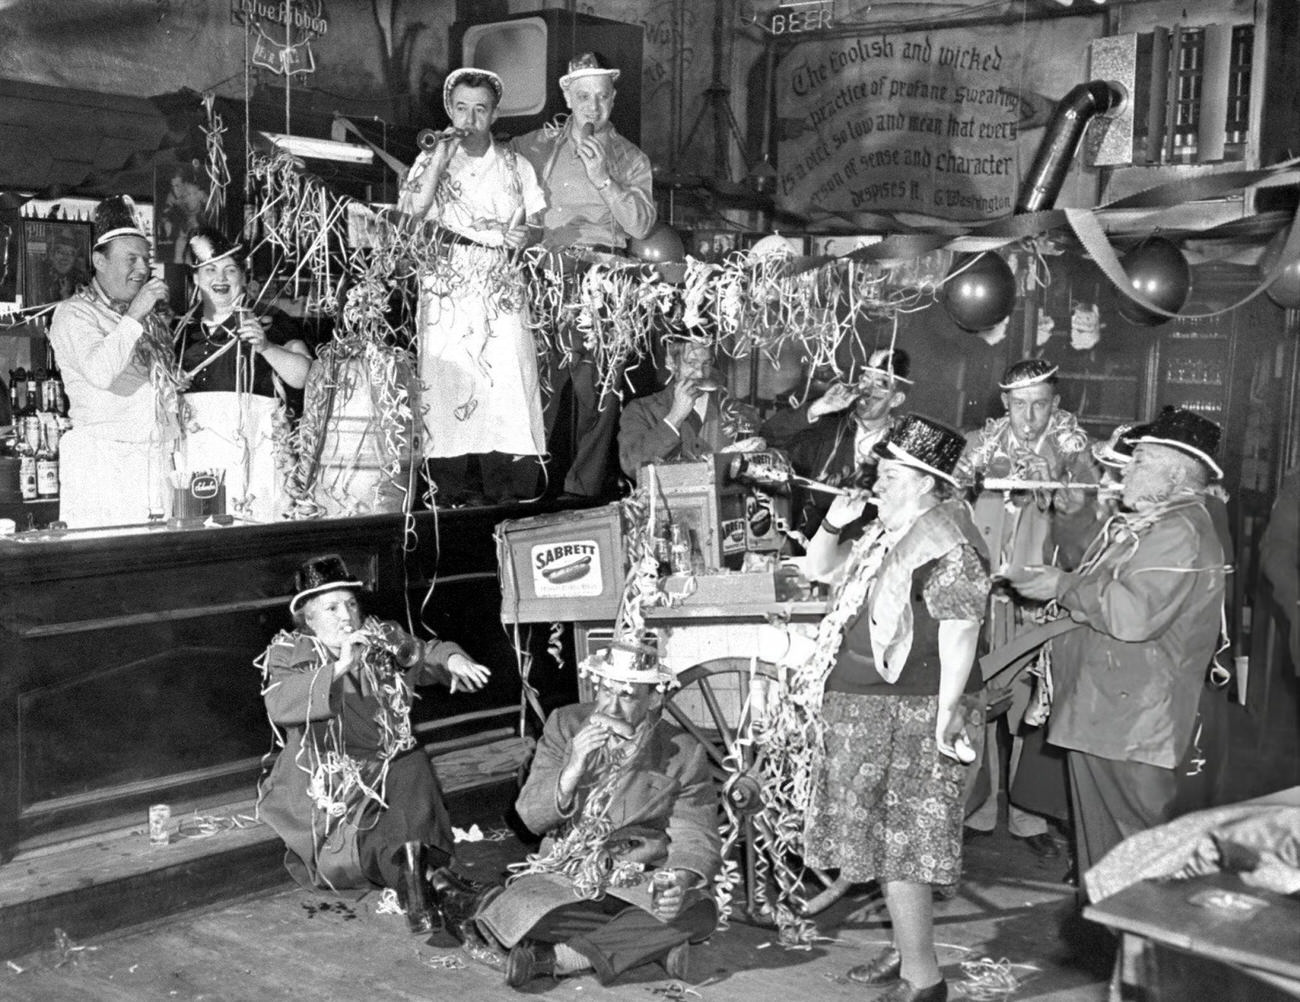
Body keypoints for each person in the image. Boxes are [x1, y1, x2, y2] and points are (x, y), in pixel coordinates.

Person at [801, 414, 990, 1002]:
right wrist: (834, 522)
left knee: (903, 846)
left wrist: (949, 717)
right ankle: (911, 947)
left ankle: (923, 980)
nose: (876, 485)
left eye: (888, 475)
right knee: (886, 845)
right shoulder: (888, 531)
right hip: (865, 710)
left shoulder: (947, 544)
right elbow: (819, 570)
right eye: (878, 474)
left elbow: (961, 636)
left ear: (926, 482)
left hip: (913, 714)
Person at [1002, 407, 1228, 885]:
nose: (1128, 468)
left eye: (1141, 460)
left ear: (1174, 471)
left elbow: (1131, 616)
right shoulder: (1159, 523)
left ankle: (1142, 955)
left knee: (1133, 863)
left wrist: (1063, 588)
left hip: (1130, 725)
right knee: (1104, 862)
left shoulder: (1177, 530)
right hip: (1108, 716)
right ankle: (1113, 953)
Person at [461, 637, 721, 989]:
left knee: (699, 912)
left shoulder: (682, 752)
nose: (612, 707)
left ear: (653, 698)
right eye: (606, 691)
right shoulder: (565, 724)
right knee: (529, 914)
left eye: (627, 696)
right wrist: (571, 770)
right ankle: (648, 946)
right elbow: (528, 816)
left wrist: (680, 880)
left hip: (636, 879)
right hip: (566, 877)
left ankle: (557, 958)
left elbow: (694, 831)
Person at [256, 554, 491, 934]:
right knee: (386, 827)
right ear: (308, 618)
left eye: (350, 603)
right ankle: (437, 885)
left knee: (411, 761)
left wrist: (451, 660)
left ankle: (419, 888)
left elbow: (422, 653)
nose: (346, 615)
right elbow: (279, 703)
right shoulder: (289, 652)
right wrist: (339, 667)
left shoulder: (379, 636)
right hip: (331, 783)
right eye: (330, 608)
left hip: (387, 770)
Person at [956, 359, 1098, 858]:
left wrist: (1057, 488)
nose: (1029, 416)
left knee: (1030, 705)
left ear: (1056, 405)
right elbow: (949, 495)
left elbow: (1088, 521)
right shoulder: (981, 443)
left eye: (1040, 404)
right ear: (1005, 405)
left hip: (1039, 597)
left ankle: (1028, 817)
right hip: (981, 592)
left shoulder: (1072, 450)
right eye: (1019, 405)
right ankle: (976, 809)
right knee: (974, 699)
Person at [399, 68, 546, 506]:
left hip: (499, 281)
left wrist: (528, 235)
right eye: (461, 108)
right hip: (449, 283)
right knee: (448, 380)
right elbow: (414, 213)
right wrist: (440, 158)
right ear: (450, 110)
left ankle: (506, 493)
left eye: (480, 109)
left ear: (494, 114)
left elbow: (537, 222)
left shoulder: (516, 164)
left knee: (506, 380)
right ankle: (447, 492)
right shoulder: (430, 159)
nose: (470, 118)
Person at [513, 51, 656, 500]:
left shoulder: (629, 157)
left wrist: (604, 179)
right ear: (568, 99)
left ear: (613, 100)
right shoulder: (534, 147)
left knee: (598, 388)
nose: (592, 107)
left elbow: (640, 226)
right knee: (536, 383)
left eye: (601, 97)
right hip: (547, 274)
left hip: (604, 277)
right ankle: (520, 493)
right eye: (583, 97)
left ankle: (584, 493)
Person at [48, 195, 180, 527]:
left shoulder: (147, 318)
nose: (142, 269)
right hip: (101, 463)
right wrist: (136, 313)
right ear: (99, 261)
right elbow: (101, 372)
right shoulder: (73, 313)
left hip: (153, 460)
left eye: (145, 259)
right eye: (131, 259)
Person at [175, 228, 312, 521]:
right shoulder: (181, 332)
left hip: (258, 460)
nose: (220, 279)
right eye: (209, 269)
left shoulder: (272, 320)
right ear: (196, 278)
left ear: (243, 276)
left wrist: (266, 347)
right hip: (198, 460)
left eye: (230, 270)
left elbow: (304, 376)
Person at [760, 347, 911, 539]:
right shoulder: (830, 426)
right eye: (865, 379)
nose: (866, 390)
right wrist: (818, 408)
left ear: (896, 399)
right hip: (811, 542)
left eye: (880, 384)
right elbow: (769, 434)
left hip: (867, 549)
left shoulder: (902, 444)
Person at [617, 326, 762, 478]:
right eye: (692, 363)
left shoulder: (732, 410)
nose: (700, 373)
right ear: (671, 362)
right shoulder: (641, 410)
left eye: (706, 363)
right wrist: (674, 418)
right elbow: (632, 467)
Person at [34, 232, 89, 305]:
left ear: (75, 259)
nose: (65, 257)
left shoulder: (81, 281)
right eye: (60, 252)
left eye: (70, 253)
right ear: (51, 255)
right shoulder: (38, 276)